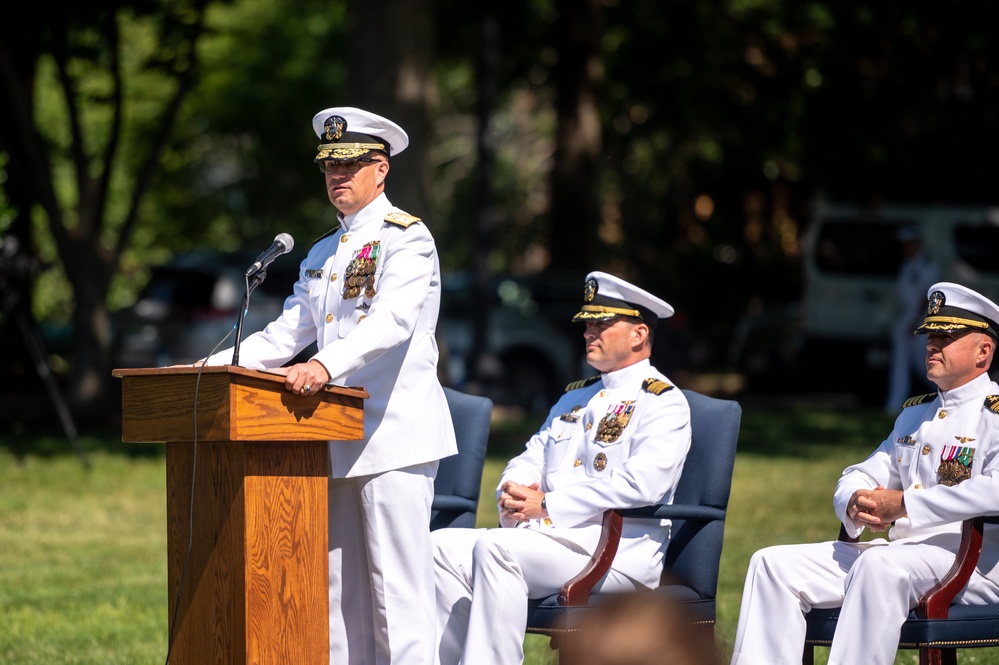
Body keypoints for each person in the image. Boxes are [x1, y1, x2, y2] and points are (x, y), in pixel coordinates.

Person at [202, 106, 457, 664]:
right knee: (339, 598)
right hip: (332, 437)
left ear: (381, 168)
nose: (337, 177)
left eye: (350, 165)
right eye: (329, 167)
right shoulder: (321, 252)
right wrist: (208, 370)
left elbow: (391, 321)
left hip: (394, 438)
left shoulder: (407, 239)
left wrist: (324, 366)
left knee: (399, 598)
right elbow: (286, 333)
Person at [730, 281, 999, 665]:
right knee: (771, 564)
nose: (931, 344)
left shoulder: (994, 414)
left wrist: (903, 504)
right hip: (902, 555)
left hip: (970, 564)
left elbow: (995, 491)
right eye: (930, 335)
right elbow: (860, 472)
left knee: (877, 565)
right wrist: (855, 501)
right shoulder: (915, 414)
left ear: (983, 351)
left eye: (947, 336)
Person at [432, 271, 692, 665]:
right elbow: (531, 454)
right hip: (551, 540)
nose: (590, 332)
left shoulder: (662, 402)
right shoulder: (576, 397)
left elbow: (644, 484)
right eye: (588, 324)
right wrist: (513, 488)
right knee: (440, 548)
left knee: (496, 549)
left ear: (639, 334)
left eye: (603, 323)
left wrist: (548, 505)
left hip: (617, 550)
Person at [884, 223, 939, 413]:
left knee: (925, 362)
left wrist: (915, 321)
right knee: (900, 363)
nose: (906, 247)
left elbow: (928, 295)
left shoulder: (927, 266)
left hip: (920, 320)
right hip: (906, 318)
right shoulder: (907, 266)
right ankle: (894, 403)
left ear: (917, 243)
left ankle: (948, 392)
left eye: (909, 243)